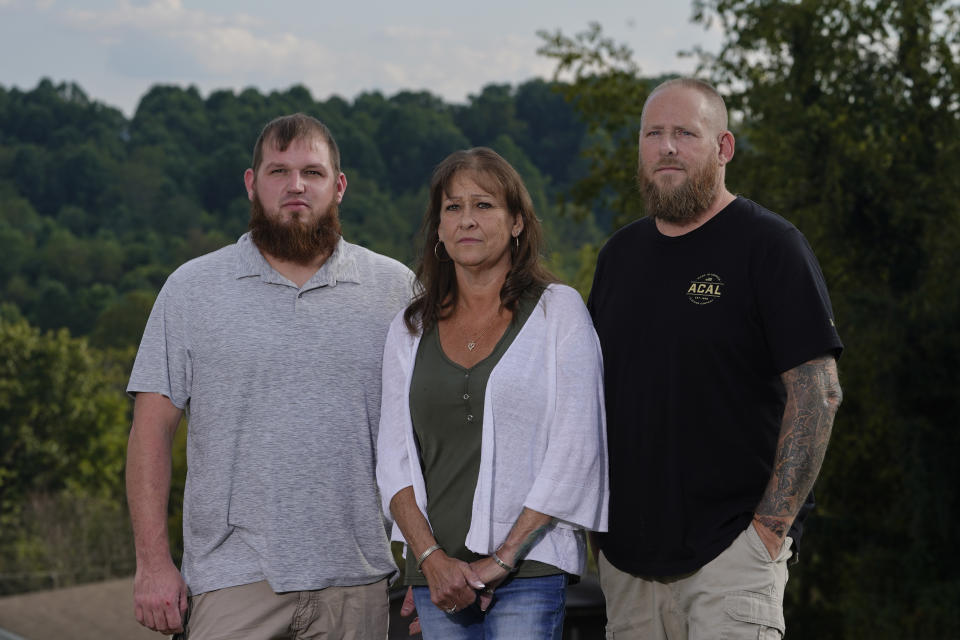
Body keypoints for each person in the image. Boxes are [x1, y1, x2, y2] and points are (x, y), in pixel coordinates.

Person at [125, 113, 413, 639]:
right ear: (251, 184)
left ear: (339, 186)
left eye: (313, 172)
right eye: (278, 171)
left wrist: (423, 558)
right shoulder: (192, 290)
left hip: (358, 578)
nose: (296, 186)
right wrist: (152, 563)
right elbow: (151, 430)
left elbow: (425, 437)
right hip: (232, 577)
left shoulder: (395, 291)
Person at [588, 78, 844, 639]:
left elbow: (818, 390)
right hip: (627, 570)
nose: (667, 147)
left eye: (685, 133)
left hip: (731, 561)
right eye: (653, 134)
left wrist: (770, 531)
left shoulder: (770, 246)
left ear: (724, 147)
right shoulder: (619, 257)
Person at [375, 147, 609, 639]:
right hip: (437, 576)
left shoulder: (557, 313)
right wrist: (431, 559)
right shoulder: (409, 327)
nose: (467, 220)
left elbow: (577, 449)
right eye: (453, 208)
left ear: (517, 222)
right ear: (438, 229)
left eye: (484, 205)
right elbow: (392, 460)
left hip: (530, 569)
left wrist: (502, 559)